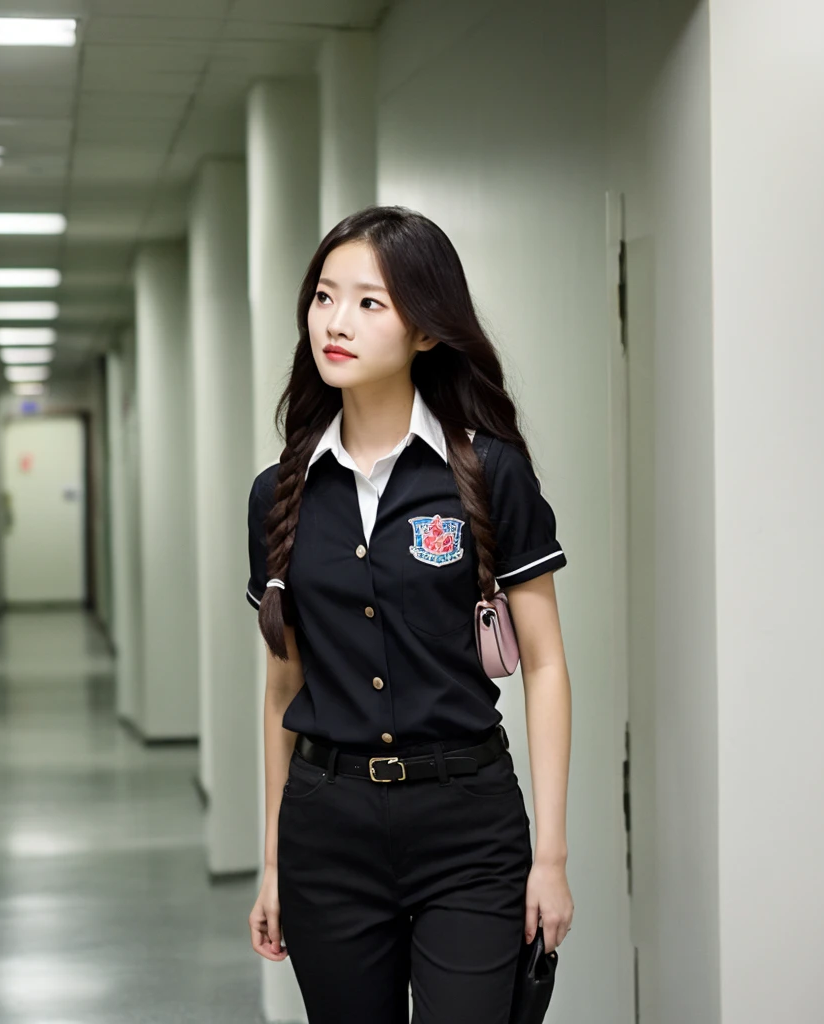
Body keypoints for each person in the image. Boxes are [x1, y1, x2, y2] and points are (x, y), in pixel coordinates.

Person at [245, 205, 573, 1024]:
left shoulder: (490, 474)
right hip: (329, 832)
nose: (336, 323)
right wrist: (274, 863)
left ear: (426, 330)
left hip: (468, 827)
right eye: (325, 297)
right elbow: (283, 687)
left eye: (369, 303)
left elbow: (545, 664)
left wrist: (552, 857)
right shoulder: (278, 495)